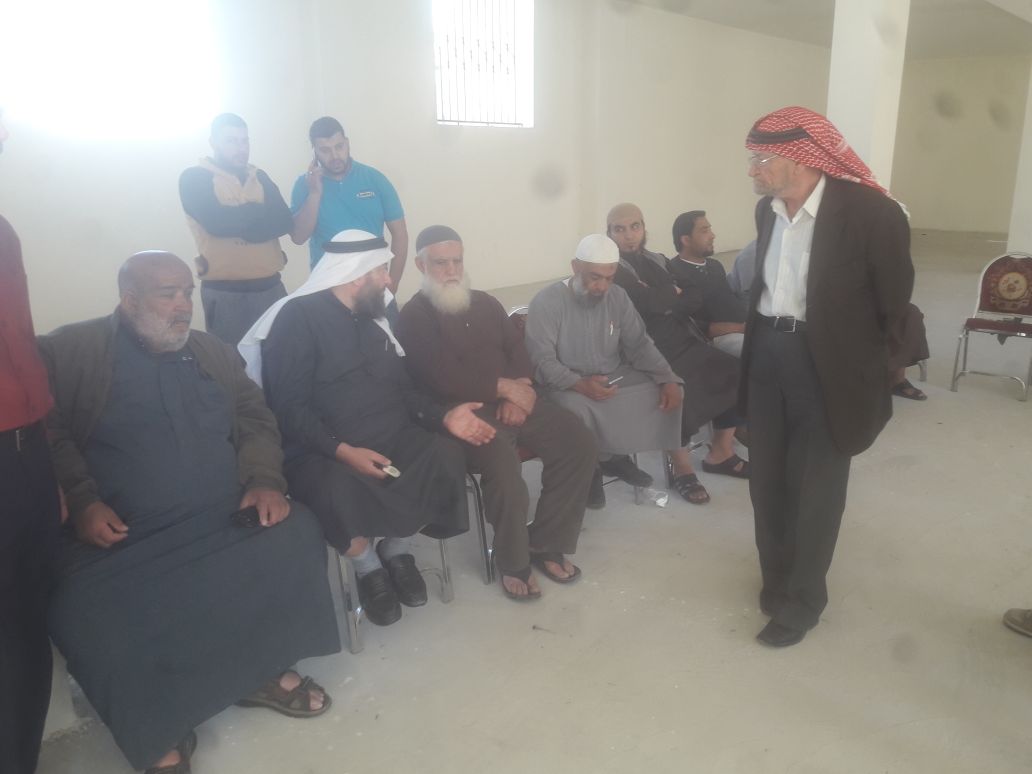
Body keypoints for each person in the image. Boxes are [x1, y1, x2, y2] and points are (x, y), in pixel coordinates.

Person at [39, 252, 340, 773]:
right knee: (82, 606)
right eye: (168, 294)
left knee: (295, 534)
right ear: (130, 299)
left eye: (188, 293)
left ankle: (260, 673)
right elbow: (48, 431)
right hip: (126, 532)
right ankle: (157, 726)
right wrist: (82, 500)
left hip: (224, 514)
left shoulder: (210, 351)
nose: (183, 305)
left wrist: (265, 480)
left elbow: (255, 417)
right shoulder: (74, 351)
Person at [243, 230, 494, 627]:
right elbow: (288, 408)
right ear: (355, 274)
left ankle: (397, 550)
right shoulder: (297, 319)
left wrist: (442, 416)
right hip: (322, 449)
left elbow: (405, 391)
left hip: (392, 433)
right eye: (381, 271)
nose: (389, 280)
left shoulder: (374, 314)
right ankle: (367, 566)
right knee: (331, 488)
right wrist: (344, 451)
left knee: (445, 454)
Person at [742, 106, 914, 647]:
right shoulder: (767, 212)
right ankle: (776, 581)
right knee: (767, 478)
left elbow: (894, 305)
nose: (753, 170)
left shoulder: (873, 214)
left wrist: (861, 369)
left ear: (801, 158)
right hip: (768, 352)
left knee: (815, 486)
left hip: (828, 365)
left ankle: (803, 602)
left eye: (762, 159)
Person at [397, 225, 597, 601]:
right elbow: (441, 376)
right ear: (421, 265)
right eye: (440, 263)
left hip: (512, 401)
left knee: (578, 442)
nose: (451, 270)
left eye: (457, 261)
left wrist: (516, 394)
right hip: (463, 413)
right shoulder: (413, 316)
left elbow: (517, 349)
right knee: (504, 466)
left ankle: (546, 542)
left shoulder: (486, 303)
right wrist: (503, 389)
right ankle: (514, 561)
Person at [523, 233, 684, 510]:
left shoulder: (617, 297)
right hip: (563, 384)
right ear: (575, 267)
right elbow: (542, 362)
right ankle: (596, 467)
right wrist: (580, 384)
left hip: (613, 375)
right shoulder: (547, 301)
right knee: (575, 408)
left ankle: (610, 455)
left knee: (664, 390)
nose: (602, 287)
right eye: (595, 277)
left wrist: (667, 377)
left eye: (609, 278)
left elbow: (639, 344)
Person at [606, 204, 747, 505]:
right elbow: (643, 303)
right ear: (610, 234)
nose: (629, 235)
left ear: (644, 228)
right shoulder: (612, 269)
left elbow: (693, 296)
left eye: (634, 227)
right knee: (674, 391)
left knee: (736, 371)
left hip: (683, 340)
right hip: (644, 351)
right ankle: (683, 469)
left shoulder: (656, 259)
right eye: (620, 229)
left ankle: (721, 452)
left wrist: (665, 301)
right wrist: (672, 294)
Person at [0, 112, 63, 774]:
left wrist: (46, 466)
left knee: (22, 623)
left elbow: (21, 350)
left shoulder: (4, 231)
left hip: (23, 450)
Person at [731, 239, 929, 400]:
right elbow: (755, 306)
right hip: (786, 319)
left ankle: (896, 379)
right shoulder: (754, 255)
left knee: (906, 313)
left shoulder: (822, 247)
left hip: (828, 307)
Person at [178, 113, 293, 345]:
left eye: (244, 141)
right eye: (231, 141)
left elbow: (283, 221)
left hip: (271, 288)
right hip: (225, 294)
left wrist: (239, 222)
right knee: (231, 362)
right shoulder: (194, 177)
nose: (241, 148)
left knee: (281, 357)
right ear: (213, 142)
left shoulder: (260, 177)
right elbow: (216, 223)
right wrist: (260, 214)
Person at [289, 117, 409, 288]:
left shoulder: (374, 179)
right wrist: (314, 194)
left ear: (347, 143)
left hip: (373, 283)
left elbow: (400, 234)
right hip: (327, 285)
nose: (335, 156)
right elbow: (298, 237)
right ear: (314, 152)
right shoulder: (304, 185)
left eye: (339, 147)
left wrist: (392, 285)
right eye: (325, 150)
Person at [667, 210, 747, 359]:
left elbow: (732, 300)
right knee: (764, 351)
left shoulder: (715, 265)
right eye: (704, 231)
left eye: (710, 229)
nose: (712, 235)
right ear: (686, 240)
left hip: (744, 328)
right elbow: (694, 325)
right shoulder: (674, 273)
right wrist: (740, 328)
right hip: (716, 339)